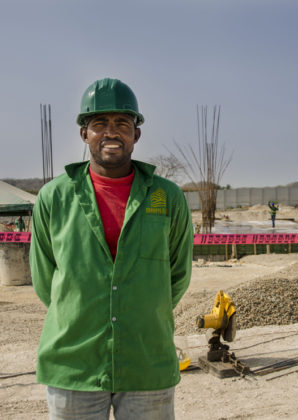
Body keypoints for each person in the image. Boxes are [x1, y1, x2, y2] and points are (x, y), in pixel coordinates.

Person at [29, 78, 193, 420]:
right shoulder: (54, 198)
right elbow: (46, 280)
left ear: (137, 133)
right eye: (99, 123)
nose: (111, 132)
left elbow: (177, 275)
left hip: (146, 361)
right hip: (74, 364)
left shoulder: (166, 197)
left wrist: (143, 310)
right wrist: (79, 312)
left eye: (122, 123)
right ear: (84, 134)